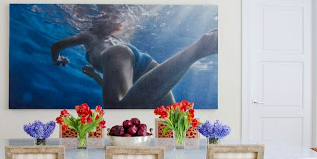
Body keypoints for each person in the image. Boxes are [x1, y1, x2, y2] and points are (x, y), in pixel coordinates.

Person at [50, 20, 218, 109]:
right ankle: (197, 51)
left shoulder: (89, 36)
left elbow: (56, 46)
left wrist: (58, 59)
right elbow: (123, 92)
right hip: (145, 64)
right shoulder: (110, 41)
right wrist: (95, 76)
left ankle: (197, 50)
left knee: (119, 114)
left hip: (120, 56)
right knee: (169, 118)